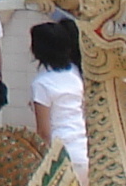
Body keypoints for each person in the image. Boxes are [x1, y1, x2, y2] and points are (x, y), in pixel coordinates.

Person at [28, 13, 87, 171]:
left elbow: (44, 132)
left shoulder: (41, 84)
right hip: (84, 149)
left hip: (62, 155)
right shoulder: (75, 73)